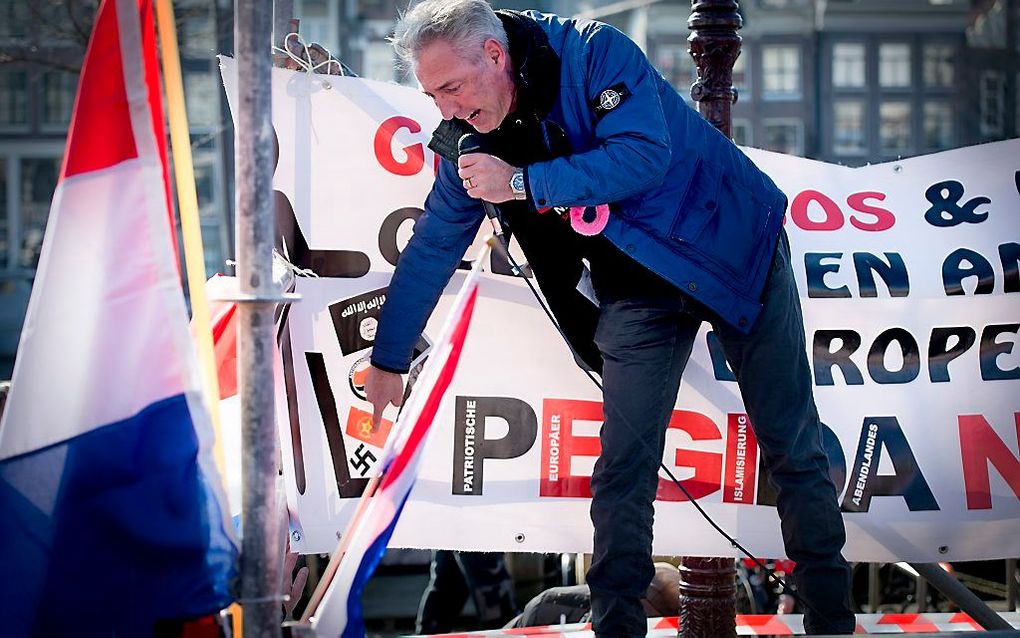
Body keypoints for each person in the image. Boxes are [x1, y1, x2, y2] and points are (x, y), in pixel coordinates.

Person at [364, 1, 855, 634]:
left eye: (452, 88)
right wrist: (387, 359)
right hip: (637, 284)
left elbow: (644, 155)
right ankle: (615, 629)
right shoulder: (467, 141)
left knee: (791, 446)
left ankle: (831, 623)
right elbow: (433, 244)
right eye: (433, 95)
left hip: (733, 247)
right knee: (624, 468)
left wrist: (521, 183)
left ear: (495, 56)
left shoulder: (594, 51)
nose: (447, 109)